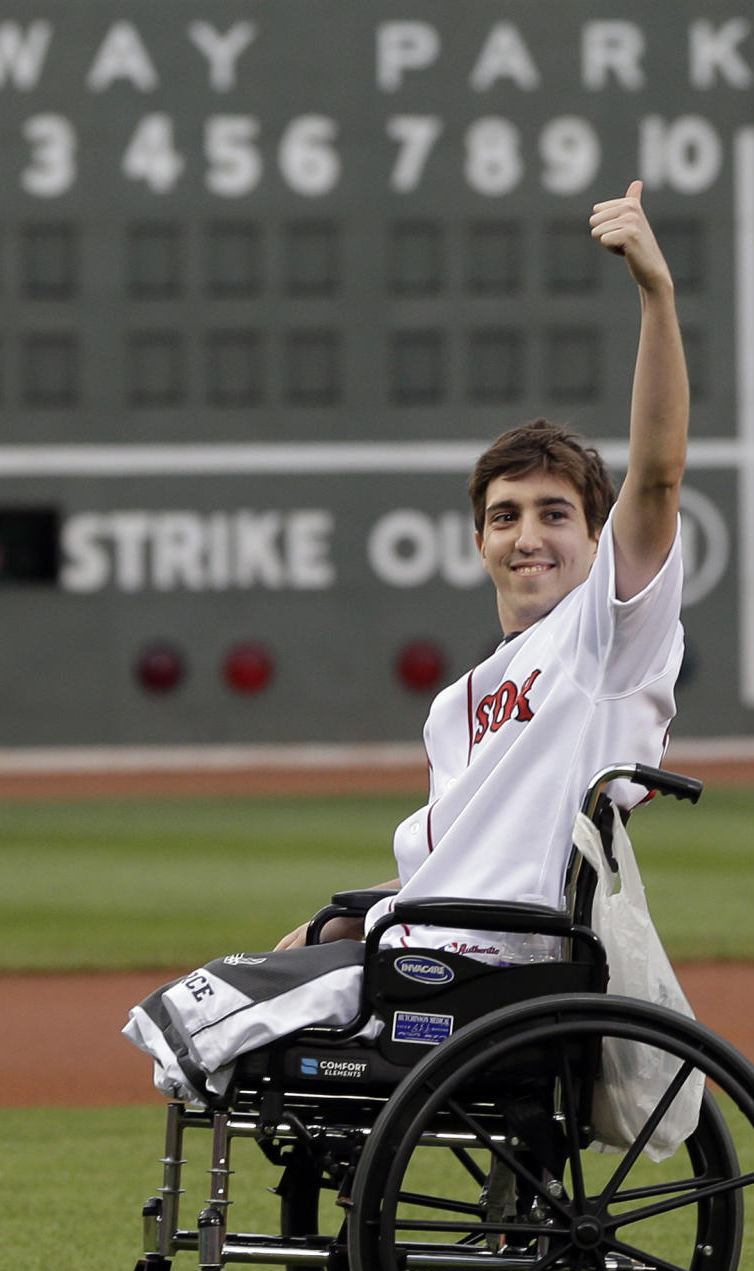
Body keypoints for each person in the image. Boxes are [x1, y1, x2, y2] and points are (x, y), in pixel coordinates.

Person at [123, 180, 689, 1100]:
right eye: (504, 517)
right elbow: (440, 867)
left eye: (556, 514)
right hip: (422, 946)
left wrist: (655, 296)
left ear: (597, 543)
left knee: (194, 1019)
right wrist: (348, 922)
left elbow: (657, 478)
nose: (529, 535)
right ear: (478, 543)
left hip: (496, 970)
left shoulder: (604, 642)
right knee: (261, 975)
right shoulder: (454, 708)